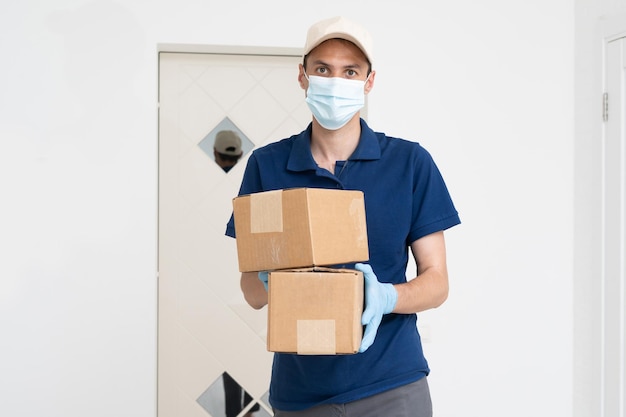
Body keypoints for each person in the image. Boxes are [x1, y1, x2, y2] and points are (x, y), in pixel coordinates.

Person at [225, 16, 460, 417]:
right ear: (302, 76)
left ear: (368, 82)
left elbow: (437, 283)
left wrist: (387, 296)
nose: (336, 82)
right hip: (301, 394)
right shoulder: (268, 166)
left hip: (392, 386)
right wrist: (273, 282)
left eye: (350, 71)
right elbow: (251, 292)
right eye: (323, 69)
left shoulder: (409, 163)